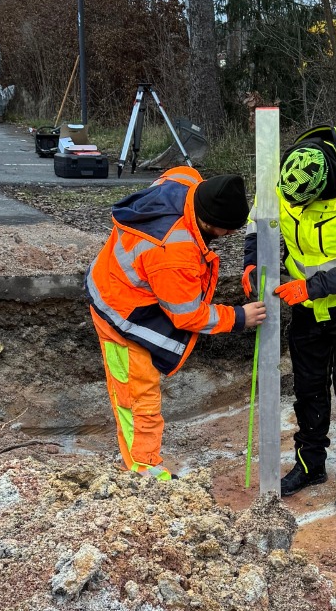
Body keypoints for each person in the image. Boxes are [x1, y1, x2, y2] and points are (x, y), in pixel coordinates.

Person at [243, 126, 336, 516]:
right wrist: (252, 263)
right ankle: (309, 467)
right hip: (307, 310)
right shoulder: (285, 176)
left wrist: (311, 287)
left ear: (326, 187)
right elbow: (259, 224)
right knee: (308, 390)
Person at [88, 167, 265, 478]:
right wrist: (239, 317)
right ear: (211, 224)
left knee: (139, 393)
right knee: (138, 398)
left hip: (122, 280)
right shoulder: (174, 252)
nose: (229, 237)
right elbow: (188, 315)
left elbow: (179, 171)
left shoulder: (186, 183)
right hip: (119, 312)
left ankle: (142, 465)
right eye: (228, 232)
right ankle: (143, 472)